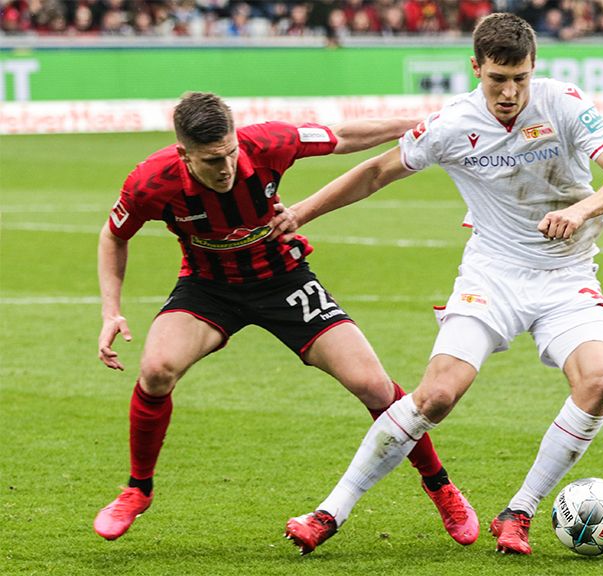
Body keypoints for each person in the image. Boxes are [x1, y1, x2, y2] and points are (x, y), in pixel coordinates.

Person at [277, 12, 603, 556]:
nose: (509, 92)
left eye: (520, 78)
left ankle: (518, 513)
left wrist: (582, 208)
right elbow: (376, 172)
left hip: (567, 275)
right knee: (436, 396)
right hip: (491, 277)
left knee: (600, 382)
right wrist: (302, 213)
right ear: (475, 68)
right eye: (497, 78)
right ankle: (329, 512)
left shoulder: (564, 103)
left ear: (534, 68)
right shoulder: (453, 123)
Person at [93, 92, 478, 547]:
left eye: (231, 152)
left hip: (283, 280)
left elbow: (344, 136)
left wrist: (423, 121)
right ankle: (137, 490)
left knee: (374, 386)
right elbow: (113, 236)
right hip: (207, 289)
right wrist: (111, 310)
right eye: (213, 160)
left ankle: (441, 487)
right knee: (156, 370)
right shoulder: (151, 182)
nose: (227, 166)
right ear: (184, 155)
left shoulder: (269, 142)